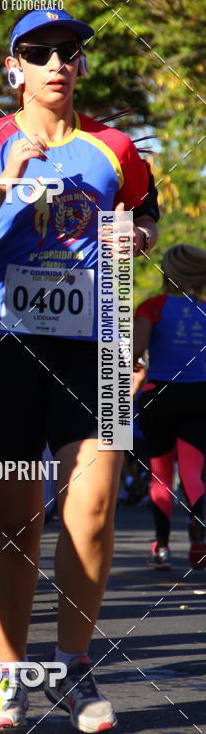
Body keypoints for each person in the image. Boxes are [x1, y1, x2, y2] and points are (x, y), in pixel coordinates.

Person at [0, 8, 150, 733]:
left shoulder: (114, 147)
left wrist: (139, 233)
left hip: (94, 348)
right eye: (39, 51)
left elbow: (142, 212)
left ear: (81, 66)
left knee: (90, 509)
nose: (57, 62)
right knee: (19, 518)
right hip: (5, 347)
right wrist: (1, 183)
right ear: (13, 68)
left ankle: (74, 667)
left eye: (69, 51)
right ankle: (11, 670)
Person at [134, 244, 206, 570]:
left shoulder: (153, 307)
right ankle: (200, 537)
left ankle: (161, 547)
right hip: (200, 396)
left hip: (159, 393)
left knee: (161, 473)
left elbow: (134, 353)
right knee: (193, 470)